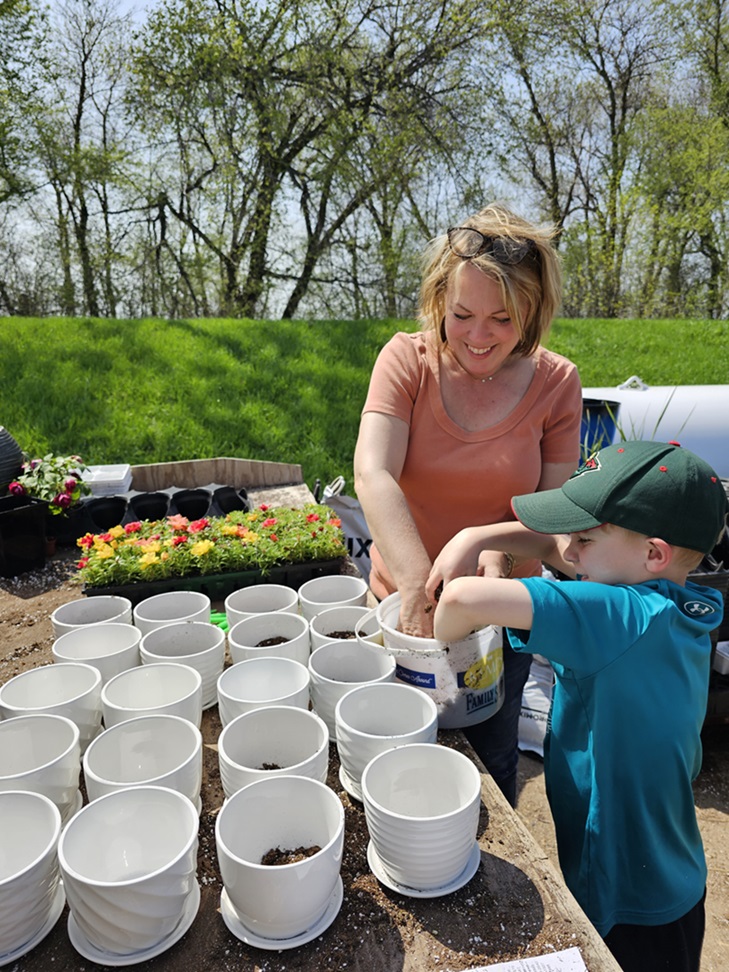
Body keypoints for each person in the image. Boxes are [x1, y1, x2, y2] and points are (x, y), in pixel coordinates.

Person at [428, 440, 728, 972]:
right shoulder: (668, 602)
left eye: (584, 538)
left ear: (653, 552)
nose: (568, 552)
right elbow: (549, 549)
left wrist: (448, 644)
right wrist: (480, 537)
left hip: (629, 906)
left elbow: (459, 602)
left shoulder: (614, 617)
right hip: (667, 877)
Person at [353, 202, 583, 805]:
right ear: (439, 301)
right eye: (462, 315)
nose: (478, 336)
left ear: (533, 312)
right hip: (401, 607)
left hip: (503, 615)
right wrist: (412, 585)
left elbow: (553, 518)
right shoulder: (406, 361)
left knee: (490, 758)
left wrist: (493, 560)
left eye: (502, 319)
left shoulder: (557, 383)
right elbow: (373, 471)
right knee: (398, 756)